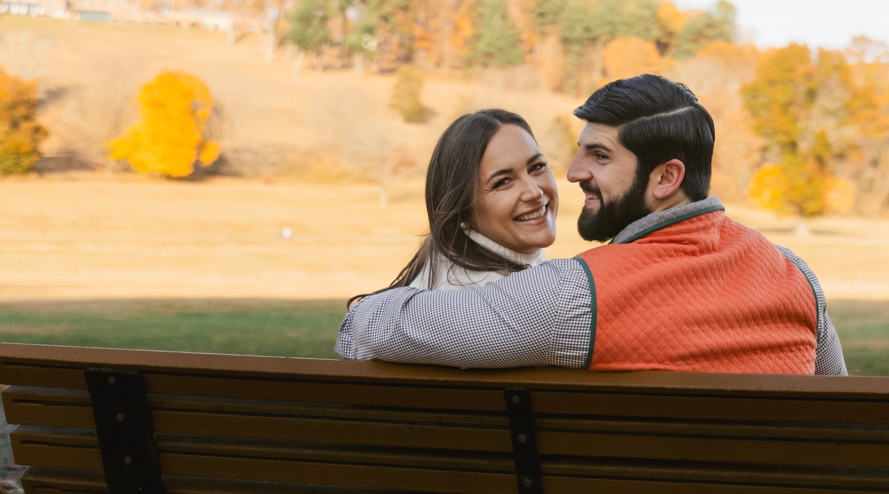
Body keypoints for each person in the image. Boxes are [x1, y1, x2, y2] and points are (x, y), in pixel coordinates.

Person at [337, 74, 847, 375]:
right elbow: (839, 409)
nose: (575, 173)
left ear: (667, 177)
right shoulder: (796, 276)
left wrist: (365, 309)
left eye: (599, 156)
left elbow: (371, 328)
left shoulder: (578, 297)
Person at [384, 108, 558, 291]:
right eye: (503, 182)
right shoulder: (474, 297)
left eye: (537, 167)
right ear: (463, 208)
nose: (534, 192)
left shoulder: (513, 249)